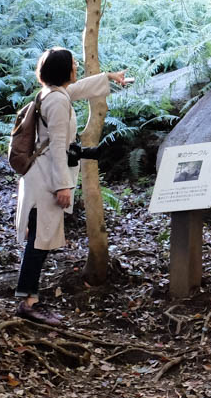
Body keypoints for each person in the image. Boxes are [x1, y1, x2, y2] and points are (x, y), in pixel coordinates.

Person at [14, 47, 130, 324]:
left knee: (39, 238)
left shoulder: (54, 94)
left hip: (41, 176)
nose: (76, 68)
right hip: (45, 179)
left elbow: (77, 89)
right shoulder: (57, 102)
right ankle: (28, 302)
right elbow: (56, 147)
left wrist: (108, 77)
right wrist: (62, 186)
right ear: (63, 70)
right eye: (74, 65)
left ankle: (29, 298)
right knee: (39, 240)